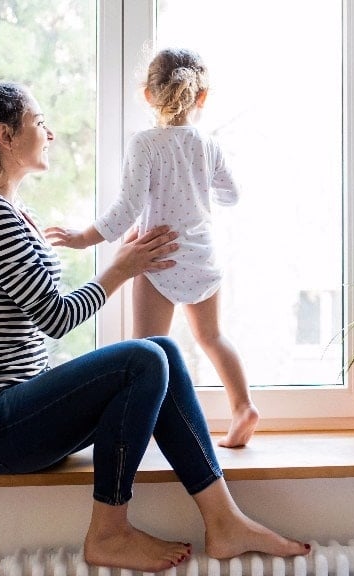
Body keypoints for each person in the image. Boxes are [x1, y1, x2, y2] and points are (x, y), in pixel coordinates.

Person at [0, 82, 309, 572]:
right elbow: (56, 316)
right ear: (5, 136)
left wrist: (124, 259)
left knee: (160, 349)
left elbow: (39, 306)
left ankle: (224, 520)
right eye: (39, 123)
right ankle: (108, 531)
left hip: (15, 409)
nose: (50, 132)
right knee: (143, 357)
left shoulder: (13, 212)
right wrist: (121, 269)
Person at [53, 48, 259, 448]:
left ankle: (143, 428)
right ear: (202, 97)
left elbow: (126, 209)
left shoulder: (145, 145)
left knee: (145, 352)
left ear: (147, 95)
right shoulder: (207, 144)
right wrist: (197, 188)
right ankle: (243, 407)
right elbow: (232, 195)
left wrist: (82, 238)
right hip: (203, 256)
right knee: (213, 337)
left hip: (157, 257)